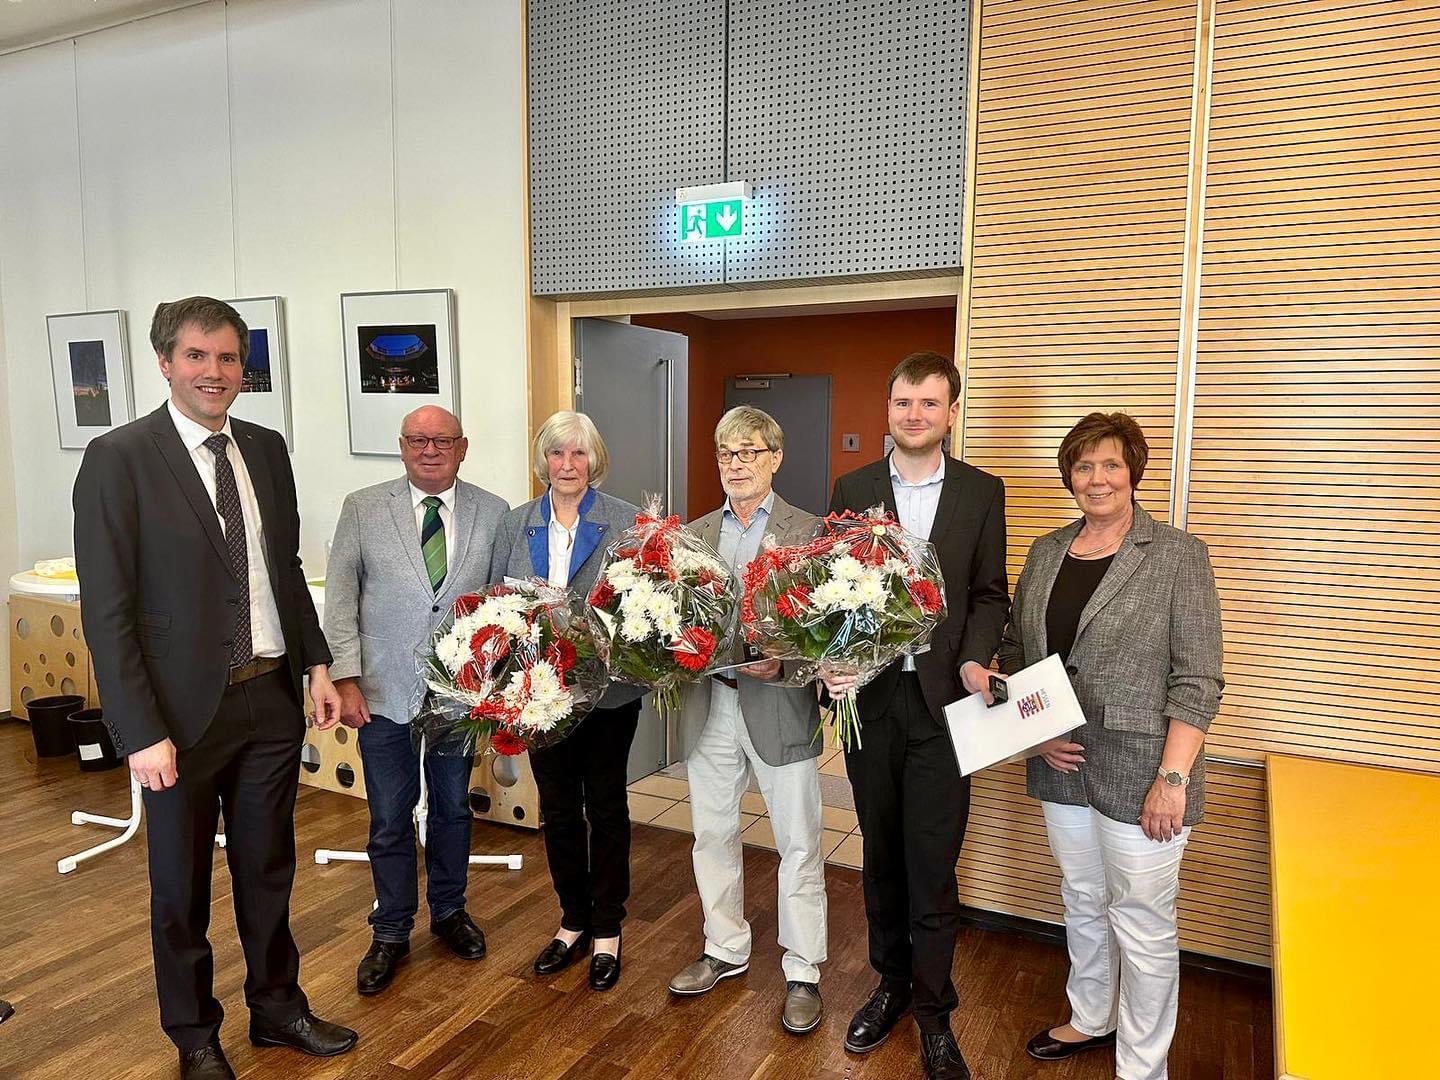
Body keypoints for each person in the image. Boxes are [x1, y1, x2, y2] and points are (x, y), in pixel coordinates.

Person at [72, 297, 357, 1080]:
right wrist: (138, 730)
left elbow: (284, 572)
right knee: (181, 887)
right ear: (165, 363)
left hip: (269, 698)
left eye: (229, 358)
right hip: (177, 717)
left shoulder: (263, 449)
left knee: (269, 869)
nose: (215, 372)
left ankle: (277, 1007)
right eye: (198, 356)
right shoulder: (120, 457)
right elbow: (108, 611)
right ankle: (195, 1034)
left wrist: (317, 664)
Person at [995, 412, 1223, 1080]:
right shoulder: (1046, 551)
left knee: (1143, 921)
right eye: (1084, 465)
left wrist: (1172, 780)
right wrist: (1032, 731)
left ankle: (1142, 1066)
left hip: (1142, 770)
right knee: (1082, 897)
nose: (1096, 478)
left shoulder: (1179, 554)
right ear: (1069, 474)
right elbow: (1017, 652)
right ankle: (1092, 1014)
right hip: (1060, 765)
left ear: (1133, 473)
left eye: (1110, 465)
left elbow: (1199, 678)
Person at [823, 351, 1008, 1080]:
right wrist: (832, 659)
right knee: (881, 857)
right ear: (889, 410)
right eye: (904, 402)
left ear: (952, 413)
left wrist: (973, 656)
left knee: (931, 866)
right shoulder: (854, 487)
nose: (915, 415)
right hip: (870, 702)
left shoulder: (982, 491)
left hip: (945, 705)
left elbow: (990, 591)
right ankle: (890, 984)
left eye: (930, 404)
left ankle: (934, 1014)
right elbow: (831, 592)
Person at [323, 406, 509, 995]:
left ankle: (450, 913)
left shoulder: (493, 511)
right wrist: (345, 678)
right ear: (402, 447)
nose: (430, 449)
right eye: (417, 440)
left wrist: (498, 684)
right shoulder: (363, 507)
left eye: (442, 440)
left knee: (454, 809)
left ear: (463, 446)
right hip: (379, 693)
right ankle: (392, 929)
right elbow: (340, 598)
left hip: (459, 694)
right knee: (387, 817)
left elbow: (506, 604)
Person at [668, 407, 828, 1034]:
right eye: (725, 452)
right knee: (712, 834)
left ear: (775, 458)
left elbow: (824, 633)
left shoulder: (807, 530)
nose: (735, 463)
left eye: (748, 451)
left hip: (778, 705)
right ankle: (725, 948)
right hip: (710, 703)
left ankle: (804, 969)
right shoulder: (691, 537)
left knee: (798, 840)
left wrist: (786, 665)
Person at [488, 411, 644, 991]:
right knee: (556, 807)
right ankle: (572, 920)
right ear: (544, 462)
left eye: (578, 454)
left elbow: (644, 605)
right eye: (557, 454)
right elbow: (496, 599)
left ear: (593, 461)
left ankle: (608, 929)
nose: (567, 465)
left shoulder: (625, 519)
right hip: (538, 694)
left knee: (604, 806)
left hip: (607, 694)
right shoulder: (516, 523)